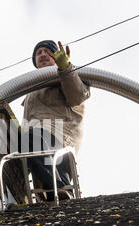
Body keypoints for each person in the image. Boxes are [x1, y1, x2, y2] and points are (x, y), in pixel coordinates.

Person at [20, 40, 90, 201]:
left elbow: (77, 96)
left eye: (48, 51)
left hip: (58, 138)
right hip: (37, 144)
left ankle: (56, 188)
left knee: (32, 138)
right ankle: (60, 193)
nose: (43, 54)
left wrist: (65, 67)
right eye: (38, 53)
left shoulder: (68, 77)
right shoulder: (30, 88)